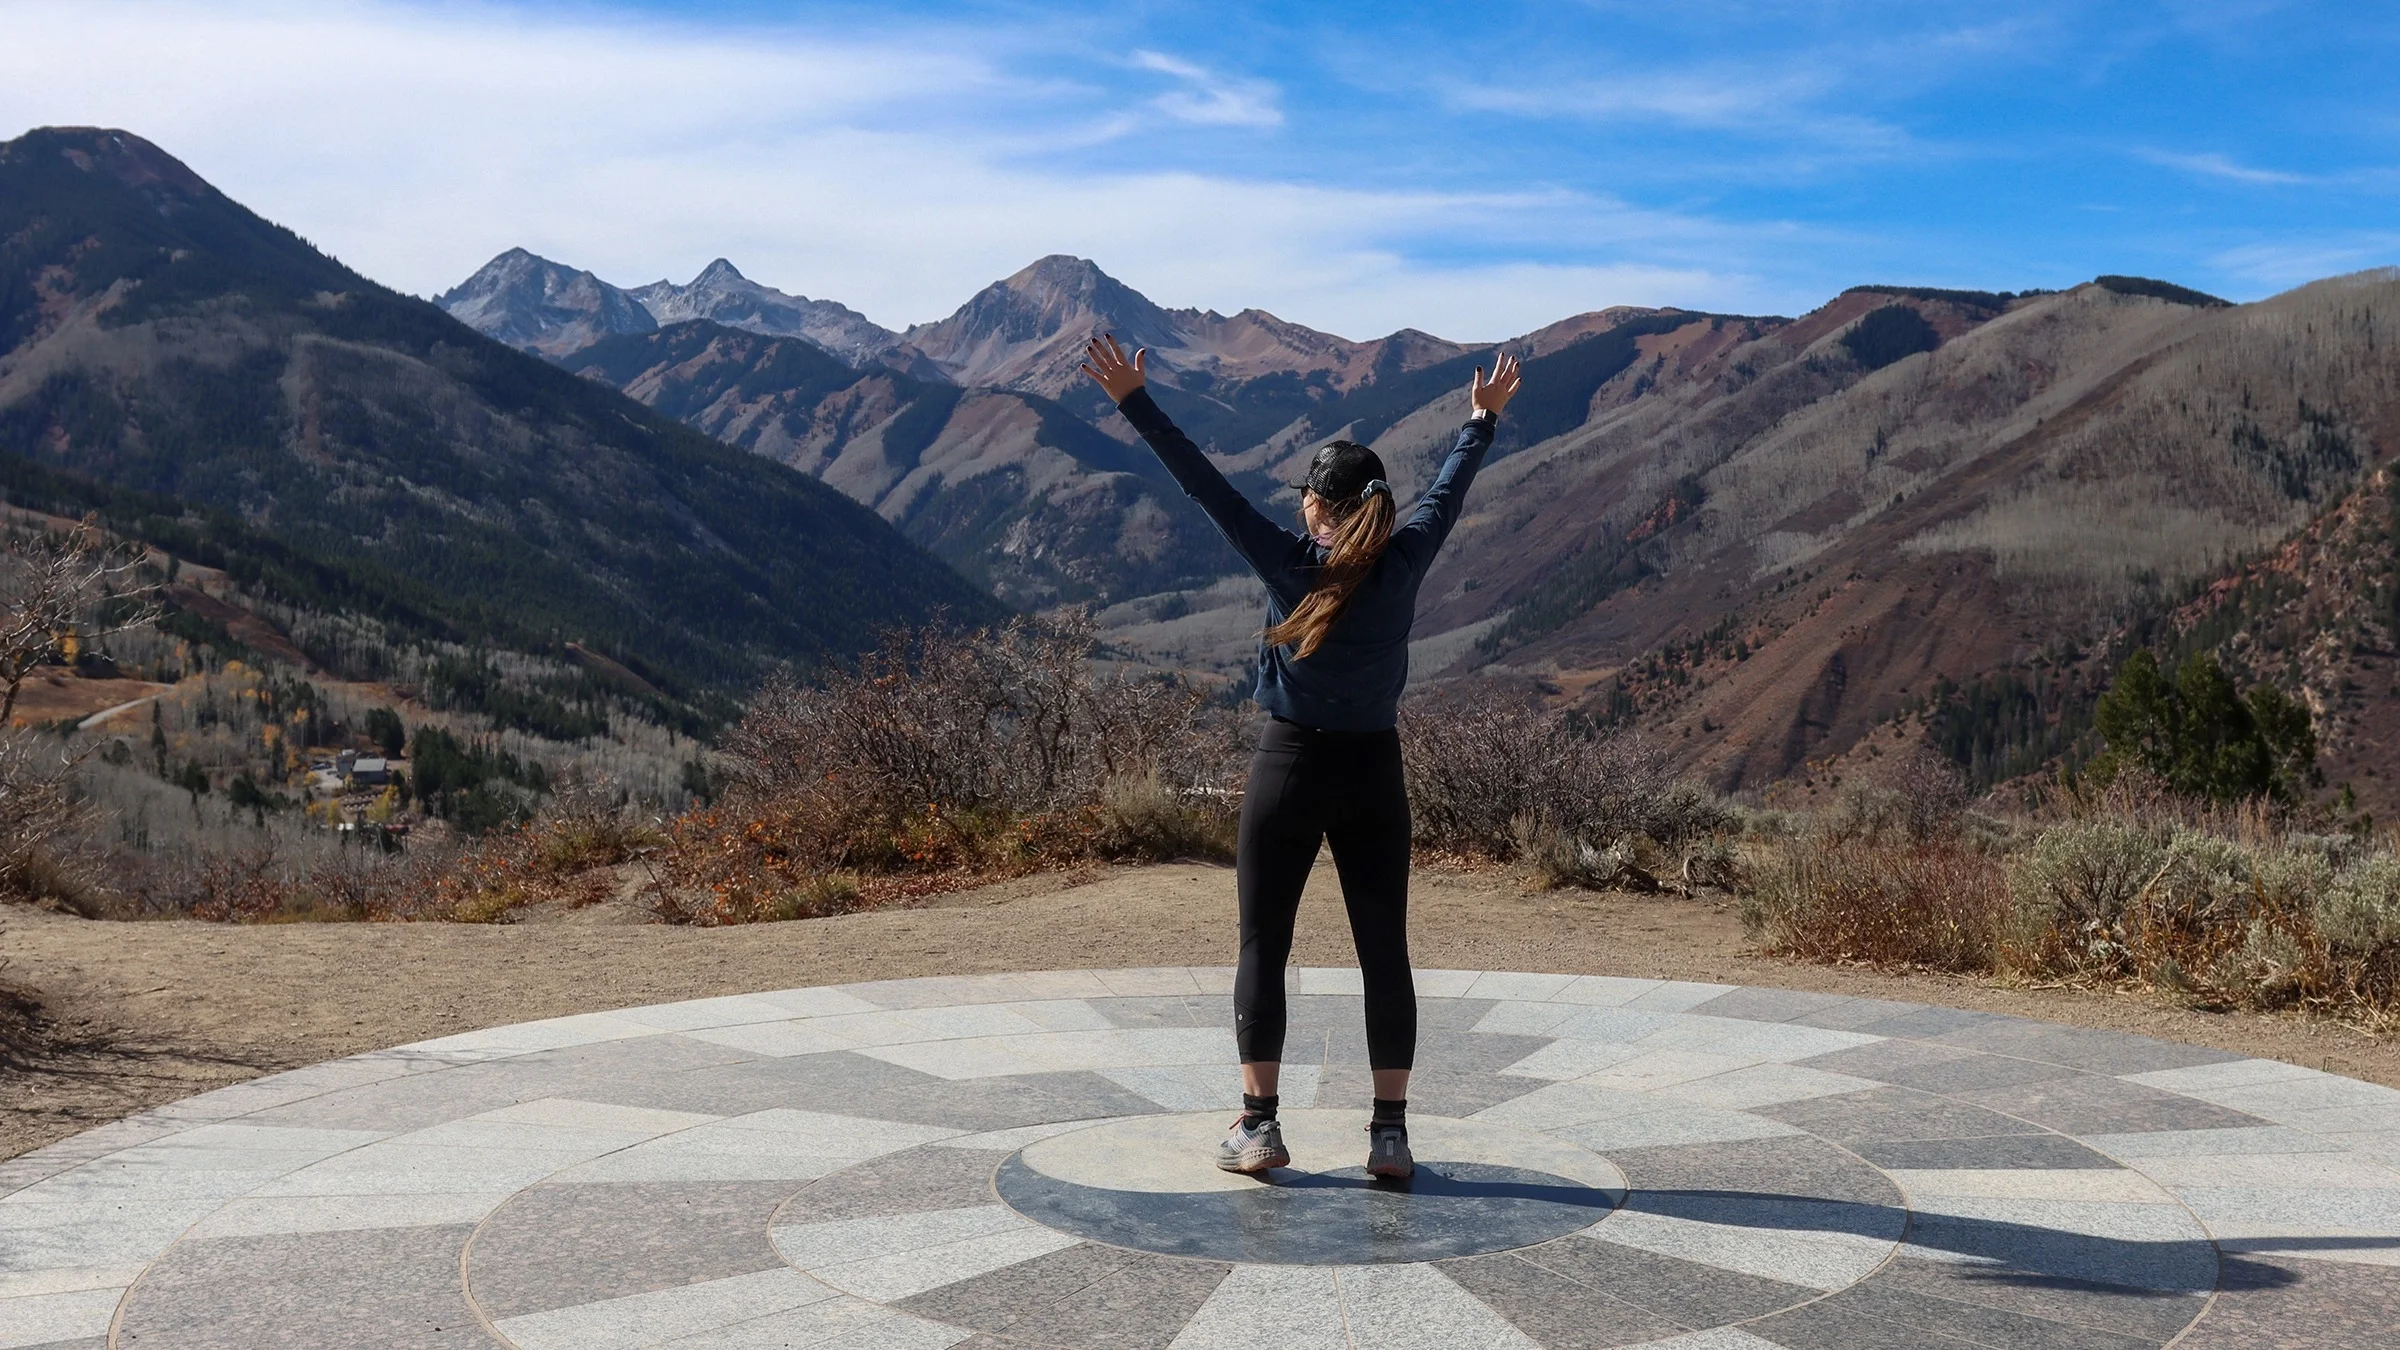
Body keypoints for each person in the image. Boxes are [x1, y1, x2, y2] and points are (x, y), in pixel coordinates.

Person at [1080, 334, 1523, 1180]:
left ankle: (1260, 1127)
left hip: (1289, 768)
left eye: (1306, 502)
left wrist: (1134, 400)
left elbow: (1201, 484)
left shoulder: (1289, 564)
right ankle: (1388, 1134)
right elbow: (1446, 490)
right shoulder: (1407, 554)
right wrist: (1481, 421)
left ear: (1320, 509)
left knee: (1263, 946)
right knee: (1384, 952)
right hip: (1374, 771)